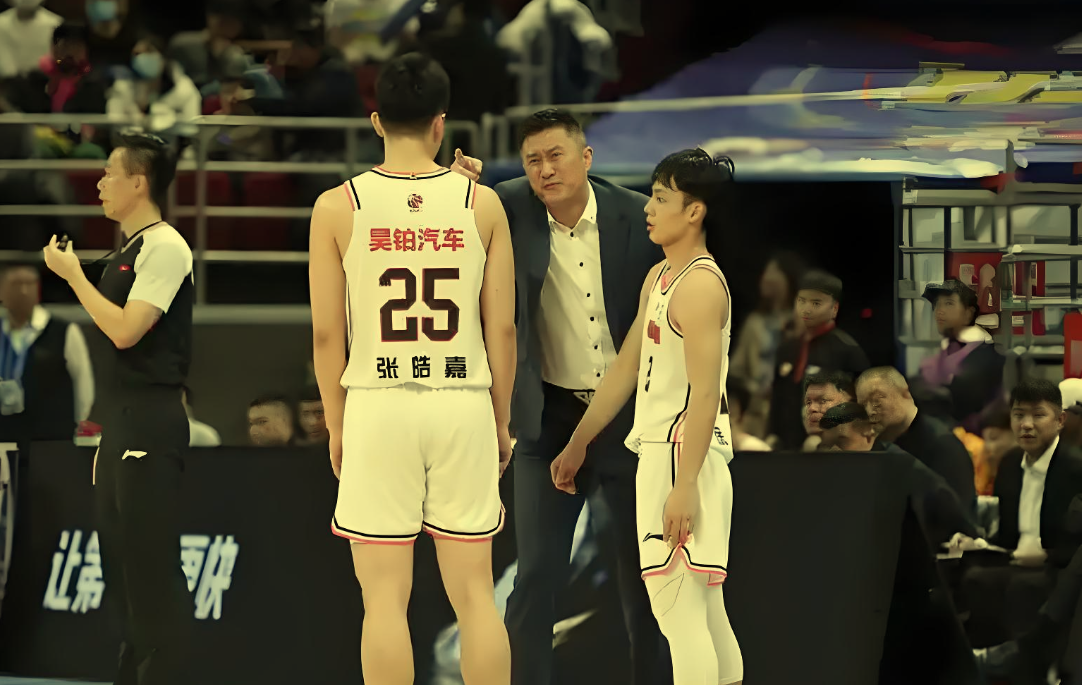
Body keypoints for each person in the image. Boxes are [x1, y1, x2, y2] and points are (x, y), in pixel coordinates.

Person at [308, 53, 515, 685]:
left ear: (376, 121)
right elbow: (502, 330)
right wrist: (500, 421)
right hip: (461, 398)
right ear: (440, 123)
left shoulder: (336, 206)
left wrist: (336, 425)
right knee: (476, 597)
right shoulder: (483, 204)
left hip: (378, 401)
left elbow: (327, 334)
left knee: (382, 601)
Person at [552, 148, 742, 685]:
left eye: (661, 198)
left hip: (683, 454)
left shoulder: (700, 285)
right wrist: (579, 441)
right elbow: (625, 369)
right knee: (705, 614)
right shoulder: (661, 275)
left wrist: (685, 485)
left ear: (694, 211)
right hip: (668, 452)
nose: (648, 208)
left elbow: (704, 395)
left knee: (678, 614)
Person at [496, 108, 669, 685]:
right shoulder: (509, 207)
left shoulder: (637, 214)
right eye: (533, 161)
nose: (545, 170)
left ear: (586, 157)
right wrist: (461, 182)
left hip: (629, 416)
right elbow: (454, 207)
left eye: (556, 156)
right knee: (535, 575)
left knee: (644, 575)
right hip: (548, 416)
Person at [42, 132, 194, 685]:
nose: (100, 183)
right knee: (120, 566)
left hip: (152, 419)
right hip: (123, 422)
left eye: (110, 172)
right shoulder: (127, 250)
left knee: (149, 566)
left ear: (139, 182)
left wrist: (74, 277)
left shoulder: (166, 246)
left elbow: (128, 331)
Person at [768, 269, 870, 450]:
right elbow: (777, 398)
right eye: (802, 301)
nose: (806, 309)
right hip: (785, 445)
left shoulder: (847, 350)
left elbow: (861, 404)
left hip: (828, 448)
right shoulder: (787, 349)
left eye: (816, 303)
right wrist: (771, 433)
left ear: (834, 308)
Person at [0, 264, 94, 443]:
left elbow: (83, 383)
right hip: (5, 435)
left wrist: (81, 423)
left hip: (51, 437)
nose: (23, 291)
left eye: (29, 284)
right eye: (16, 284)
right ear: (2, 292)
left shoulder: (64, 331)